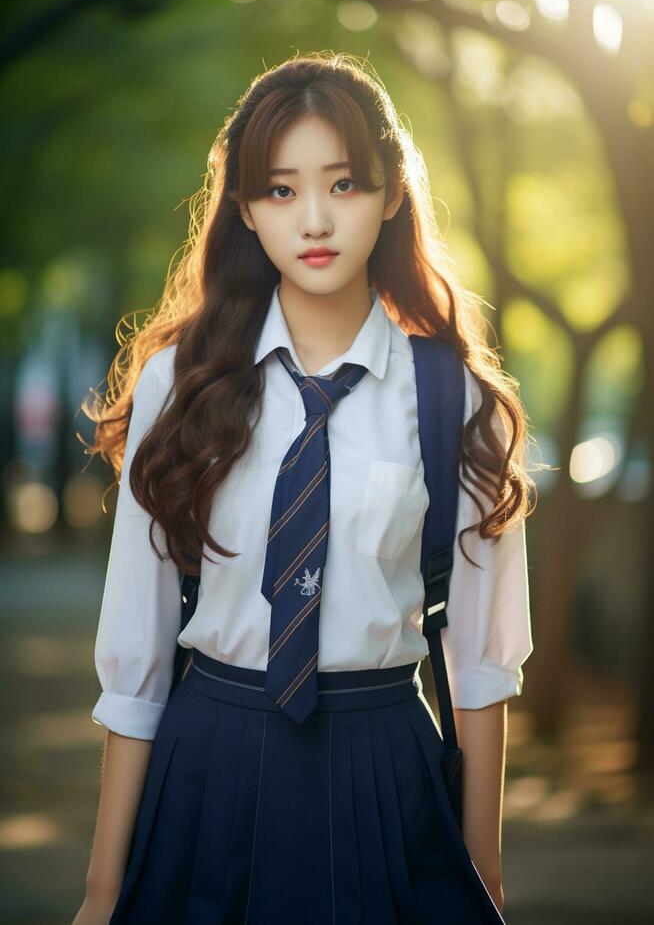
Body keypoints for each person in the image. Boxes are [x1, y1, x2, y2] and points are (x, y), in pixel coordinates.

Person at [73, 51, 537, 925]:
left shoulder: (451, 397)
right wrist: (102, 895)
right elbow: (135, 656)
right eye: (281, 191)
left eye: (346, 184)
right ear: (244, 209)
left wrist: (486, 882)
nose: (315, 219)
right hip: (208, 752)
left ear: (392, 193)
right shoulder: (183, 384)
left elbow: (481, 668)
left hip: (384, 765)